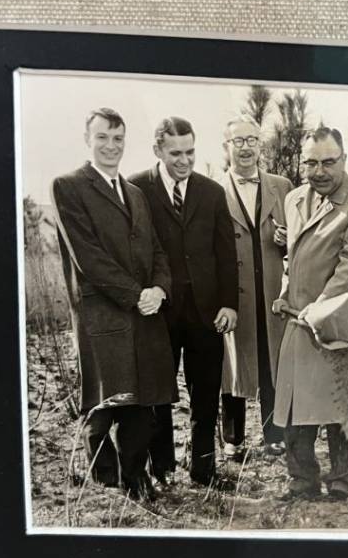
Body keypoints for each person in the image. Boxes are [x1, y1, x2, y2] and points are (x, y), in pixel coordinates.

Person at [51, 107, 176, 499]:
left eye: (117, 138)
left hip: (144, 312)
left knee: (142, 404)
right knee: (104, 403)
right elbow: (87, 257)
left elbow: (157, 251)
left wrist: (159, 289)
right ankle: (108, 480)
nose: (111, 145)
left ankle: (135, 480)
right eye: (102, 137)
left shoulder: (135, 193)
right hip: (103, 314)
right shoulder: (68, 186)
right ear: (88, 139)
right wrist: (135, 294)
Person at [271, 127, 348, 500]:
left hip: (345, 317)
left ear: (344, 161)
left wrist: (315, 311)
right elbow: (295, 258)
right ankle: (302, 482)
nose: (319, 171)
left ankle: (344, 483)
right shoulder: (293, 199)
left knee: (347, 404)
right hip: (300, 316)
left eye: (328, 162)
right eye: (311, 162)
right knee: (294, 403)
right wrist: (286, 293)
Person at [129, 117, 238, 489]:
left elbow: (226, 253)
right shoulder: (135, 188)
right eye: (175, 153)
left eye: (190, 151)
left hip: (206, 312)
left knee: (205, 393)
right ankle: (162, 470)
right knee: (158, 393)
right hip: (158, 312)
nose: (184, 160)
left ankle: (204, 470)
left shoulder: (211, 192)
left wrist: (229, 304)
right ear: (157, 150)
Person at [220, 118, 292, 460]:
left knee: (272, 361)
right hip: (234, 294)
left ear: (260, 145)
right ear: (226, 147)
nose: (246, 147)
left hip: (273, 292)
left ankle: (275, 435)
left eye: (251, 140)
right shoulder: (213, 189)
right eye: (238, 141)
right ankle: (233, 440)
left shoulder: (283, 185)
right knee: (232, 363)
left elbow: (299, 238)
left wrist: (287, 241)